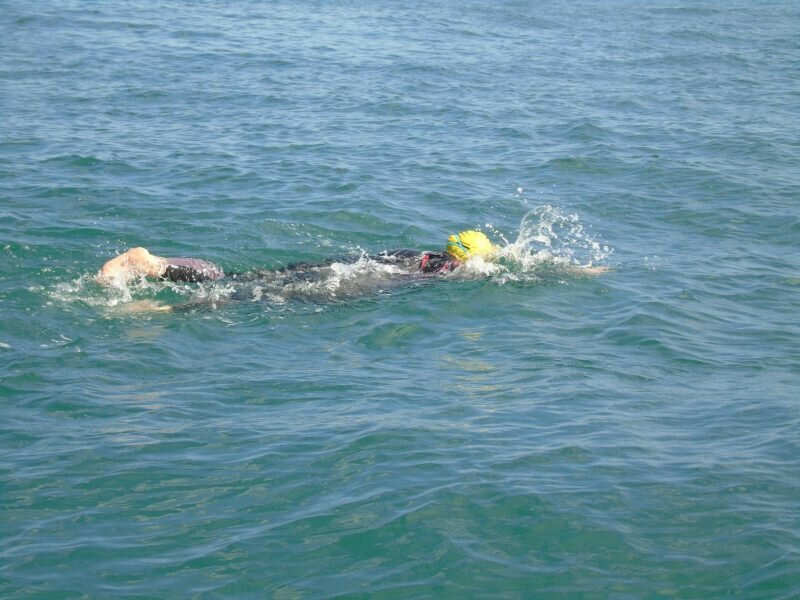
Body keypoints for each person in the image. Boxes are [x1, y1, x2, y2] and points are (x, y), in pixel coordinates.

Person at [95, 230, 499, 286]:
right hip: (350, 280)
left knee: (244, 277)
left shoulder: (417, 253)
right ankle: (158, 305)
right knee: (239, 293)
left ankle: (161, 264)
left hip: (336, 264)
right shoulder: (445, 271)